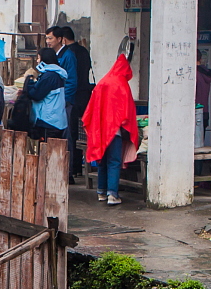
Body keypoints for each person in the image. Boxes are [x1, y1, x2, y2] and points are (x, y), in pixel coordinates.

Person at [81, 56, 140, 207]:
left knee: (102, 160)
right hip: (115, 131)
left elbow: (91, 109)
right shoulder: (122, 84)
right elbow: (128, 111)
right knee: (114, 162)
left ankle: (101, 191)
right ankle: (112, 194)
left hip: (99, 130)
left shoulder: (103, 82)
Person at [45, 24, 93, 181]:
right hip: (60, 101)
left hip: (67, 102)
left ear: (61, 39)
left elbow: (71, 81)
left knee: (69, 135)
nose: (47, 41)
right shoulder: (60, 55)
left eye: (50, 38)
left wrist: (65, 101)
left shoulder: (68, 55)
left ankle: (70, 171)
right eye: (46, 38)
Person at [15, 49, 71, 139]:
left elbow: (36, 94)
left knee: (48, 149)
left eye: (38, 58)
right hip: (56, 120)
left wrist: (28, 81)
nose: (37, 61)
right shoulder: (54, 74)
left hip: (49, 122)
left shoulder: (49, 76)